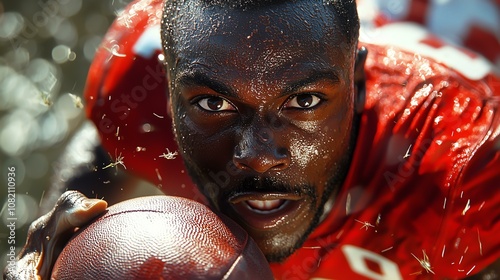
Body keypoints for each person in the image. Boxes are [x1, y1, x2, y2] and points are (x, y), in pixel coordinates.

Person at [5, 0, 500, 279]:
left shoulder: (468, 175)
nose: (256, 155)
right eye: (213, 104)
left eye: (304, 102)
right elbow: (107, 145)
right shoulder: (138, 82)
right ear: (167, 92)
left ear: (360, 84)